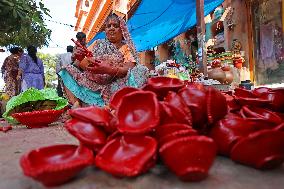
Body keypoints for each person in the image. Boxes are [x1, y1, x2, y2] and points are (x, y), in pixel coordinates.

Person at [58, 13, 149, 107]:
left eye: (115, 26)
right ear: (105, 30)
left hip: (115, 86)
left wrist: (109, 70)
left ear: (122, 30)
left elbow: (130, 68)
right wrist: (77, 58)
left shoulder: (127, 48)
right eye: (108, 26)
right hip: (93, 86)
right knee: (66, 70)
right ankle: (77, 104)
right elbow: (79, 64)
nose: (111, 28)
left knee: (141, 70)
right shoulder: (98, 43)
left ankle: (115, 104)